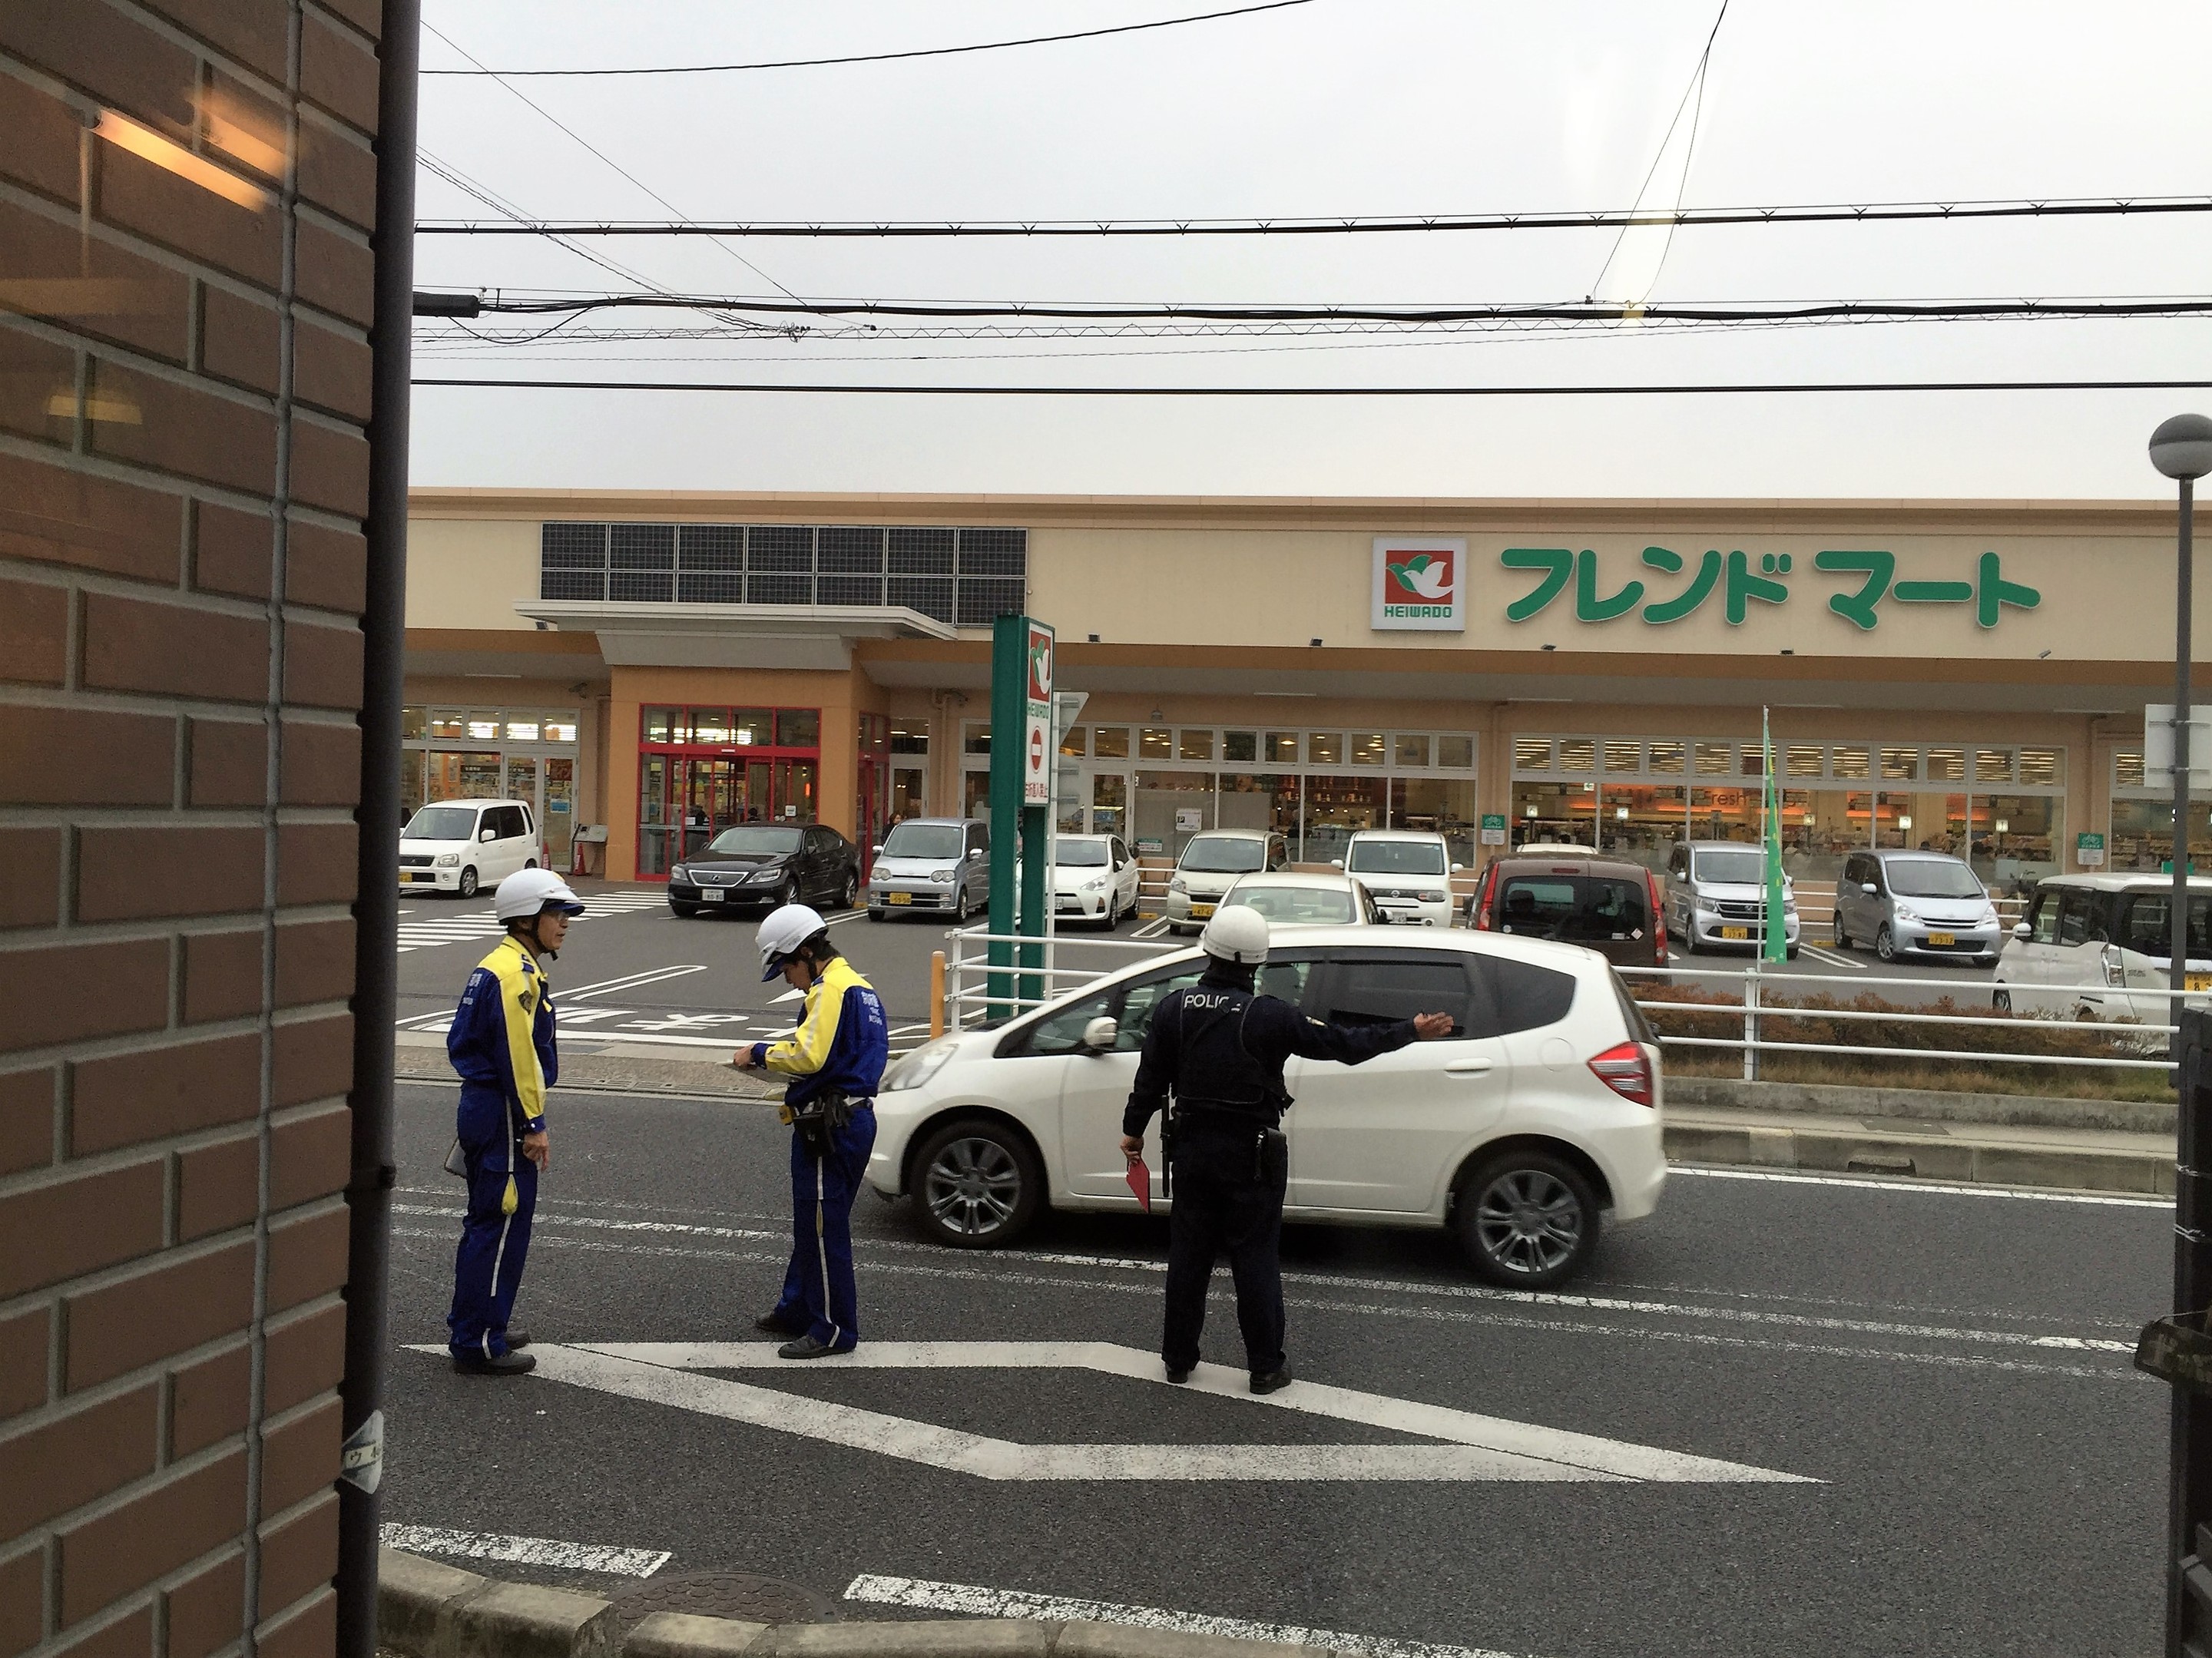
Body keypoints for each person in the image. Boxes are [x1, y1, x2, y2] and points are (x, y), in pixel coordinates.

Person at [1120, 906, 1452, 1394]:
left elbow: (1149, 1081)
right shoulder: (1270, 1016)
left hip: (1191, 1151)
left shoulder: (1175, 1008)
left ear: (1207, 949)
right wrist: (1408, 1031)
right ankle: (1265, 1368)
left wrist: (1133, 1132)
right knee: (1254, 1259)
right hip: (1251, 1156)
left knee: (1189, 1256)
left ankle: (1177, 1360)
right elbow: (1341, 1043)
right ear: (1258, 963)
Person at [444, 868, 586, 1375]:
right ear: (526, 918)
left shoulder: (498, 966)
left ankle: (483, 1320)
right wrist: (533, 1122)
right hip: (504, 1109)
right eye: (557, 912)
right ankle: (480, 1340)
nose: (565, 922)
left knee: (488, 1220)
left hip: (486, 1105)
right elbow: (517, 1054)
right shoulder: (514, 976)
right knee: (500, 1222)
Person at [733, 903, 889, 1358]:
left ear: (806, 951)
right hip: (850, 1118)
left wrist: (759, 1053)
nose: (786, 978)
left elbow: (810, 1056)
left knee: (823, 1227)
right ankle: (797, 1306)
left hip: (831, 1124)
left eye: (786, 966)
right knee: (813, 1222)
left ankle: (833, 1330)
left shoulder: (829, 990)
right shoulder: (861, 988)